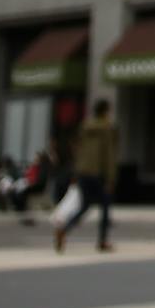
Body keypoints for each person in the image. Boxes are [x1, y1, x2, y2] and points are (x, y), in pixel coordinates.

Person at [55, 99, 118, 253]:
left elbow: (79, 150)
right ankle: (103, 241)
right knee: (105, 204)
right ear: (105, 112)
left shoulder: (85, 127)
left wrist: (77, 171)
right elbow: (108, 154)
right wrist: (110, 178)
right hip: (97, 172)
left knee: (85, 205)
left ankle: (65, 228)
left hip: (83, 171)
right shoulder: (106, 128)